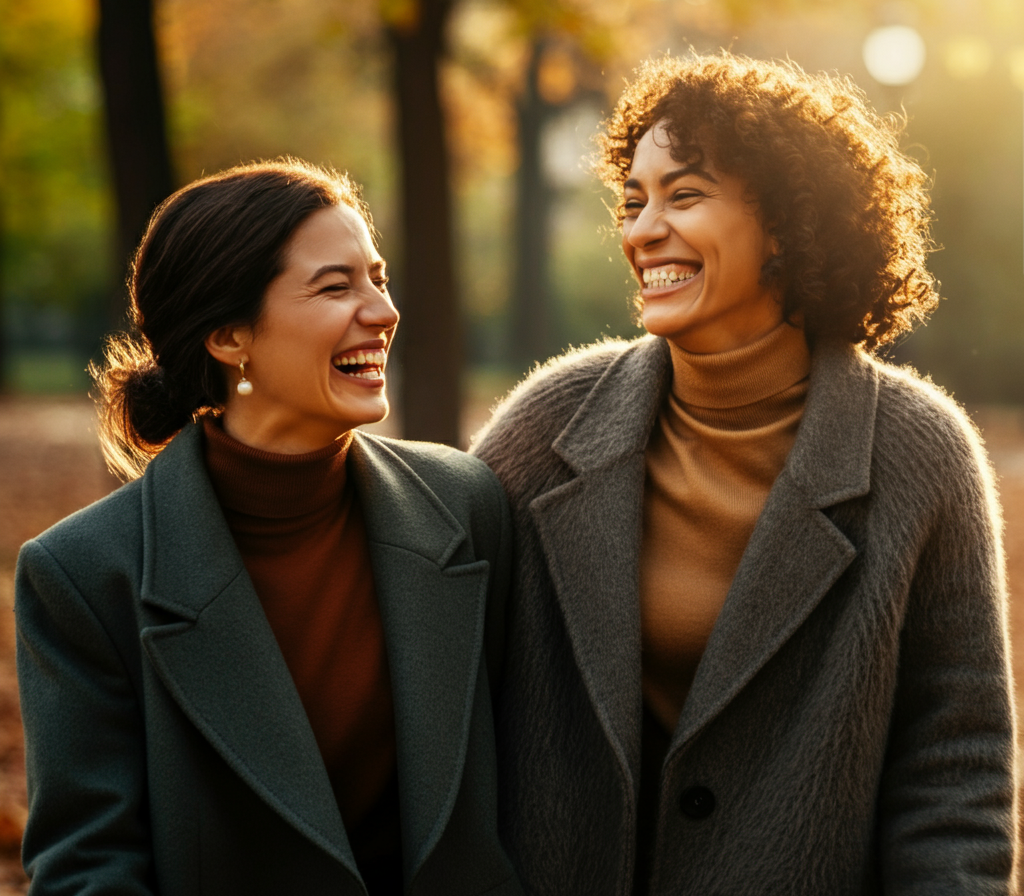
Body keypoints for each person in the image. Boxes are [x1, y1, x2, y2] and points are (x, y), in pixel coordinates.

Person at [472, 54, 1018, 895]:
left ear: (789, 226)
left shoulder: (919, 453)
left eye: (684, 196)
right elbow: (433, 661)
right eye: (633, 200)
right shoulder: (549, 424)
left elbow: (956, 762)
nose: (643, 228)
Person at [16, 158, 522, 896]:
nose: (382, 311)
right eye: (335, 286)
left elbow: (527, 790)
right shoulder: (85, 575)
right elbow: (87, 868)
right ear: (228, 337)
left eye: (377, 278)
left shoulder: (465, 505)